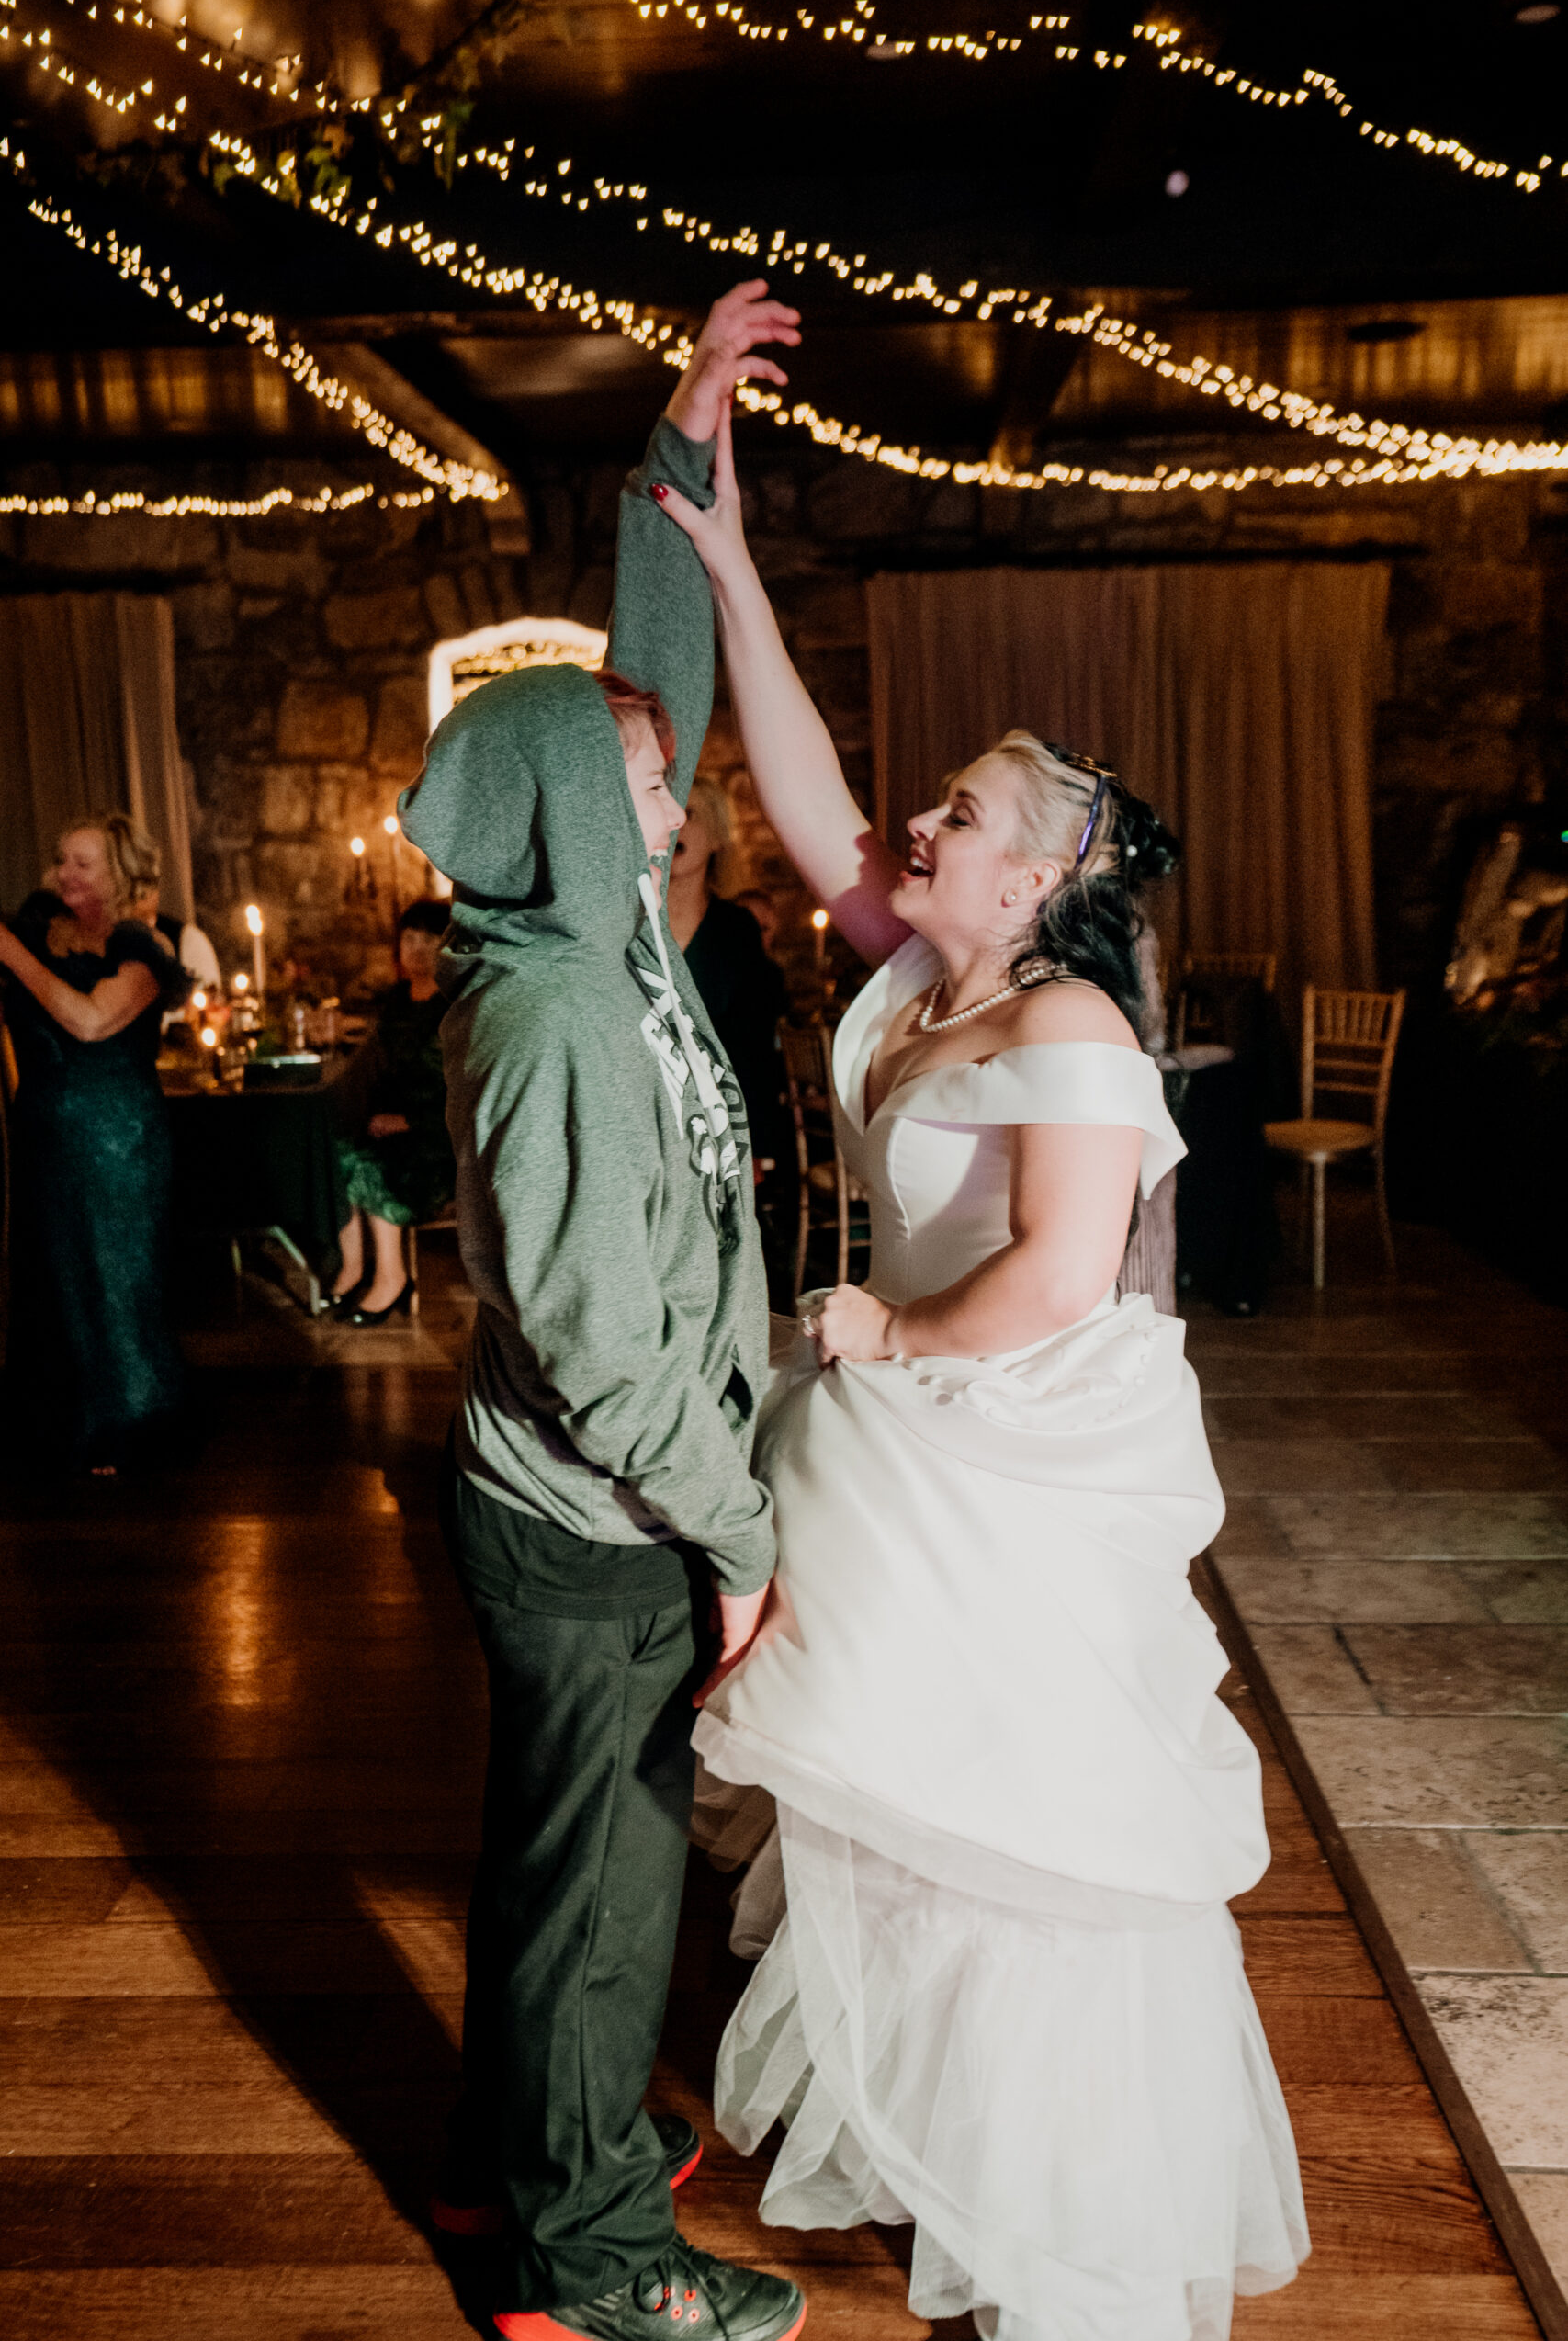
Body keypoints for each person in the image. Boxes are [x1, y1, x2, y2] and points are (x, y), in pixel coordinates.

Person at [655, 401, 1309, 2341]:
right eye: (925, 812)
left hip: (1002, 1448)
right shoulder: (920, 980)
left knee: (1021, 1834)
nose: (912, 828)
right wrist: (728, 566)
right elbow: (805, 800)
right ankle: (941, 2130)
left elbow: (1059, 1273)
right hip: (908, 1451)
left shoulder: (1076, 1016)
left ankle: (1057, 2214)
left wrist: (882, 1330)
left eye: (953, 816)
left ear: (1028, 882)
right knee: (899, 1818)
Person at [396, 284, 807, 2341]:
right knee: (599, 1902)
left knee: (565, 1870)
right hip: (602, 1523)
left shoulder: (588, 918)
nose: (679, 813)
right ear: (570, 812)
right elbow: (606, 1349)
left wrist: (687, 422)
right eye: (646, 796)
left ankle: (517, 2163)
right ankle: (593, 2274)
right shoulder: (559, 1011)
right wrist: (736, 1540)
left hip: (588, 1511)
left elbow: (647, 685)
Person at [0, 815, 190, 1475]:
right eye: (61, 860)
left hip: (118, 1141)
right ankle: (63, 1431)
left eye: (82, 862)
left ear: (120, 872)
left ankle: (132, 1428)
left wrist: (9, 953)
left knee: (117, 1286)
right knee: (57, 1287)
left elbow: (88, 1021)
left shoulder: (142, 945)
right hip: (45, 1135)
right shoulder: (38, 932)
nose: (63, 874)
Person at [328, 899, 456, 1325]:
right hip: (393, 1128)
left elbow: (462, 1091)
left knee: (372, 1165)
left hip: (439, 1138)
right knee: (338, 1150)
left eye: (428, 939)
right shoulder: (398, 1001)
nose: (417, 948)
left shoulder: (454, 1006)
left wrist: (409, 1122)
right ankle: (353, 1270)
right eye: (409, 938)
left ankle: (392, 1277)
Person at [666, 776, 789, 1173]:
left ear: (717, 837)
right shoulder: (632, 922)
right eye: (668, 810)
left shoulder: (736, 929)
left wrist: (757, 1142)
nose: (675, 824)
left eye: (690, 814)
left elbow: (752, 1046)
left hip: (713, 1125)